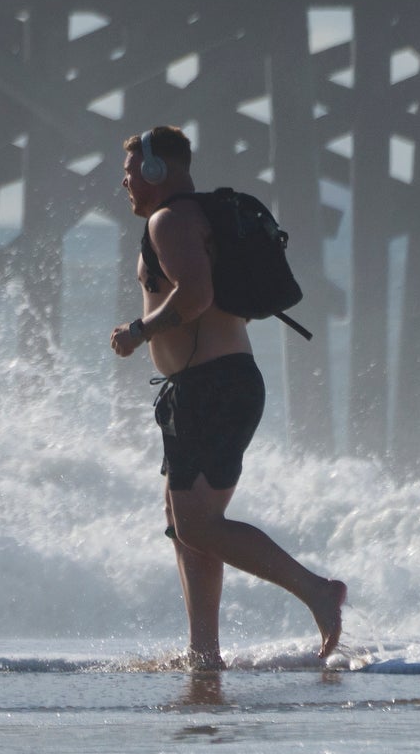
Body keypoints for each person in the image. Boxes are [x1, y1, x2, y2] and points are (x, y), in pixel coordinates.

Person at [108, 124, 345, 667]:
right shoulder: (192, 218)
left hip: (212, 386)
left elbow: (196, 295)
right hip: (204, 385)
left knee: (197, 522)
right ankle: (204, 652)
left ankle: (318, 592)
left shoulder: (170, 220)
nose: (125, 187)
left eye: (129, 175)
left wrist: (139, 331)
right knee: (185, 520)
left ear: (154, 170)